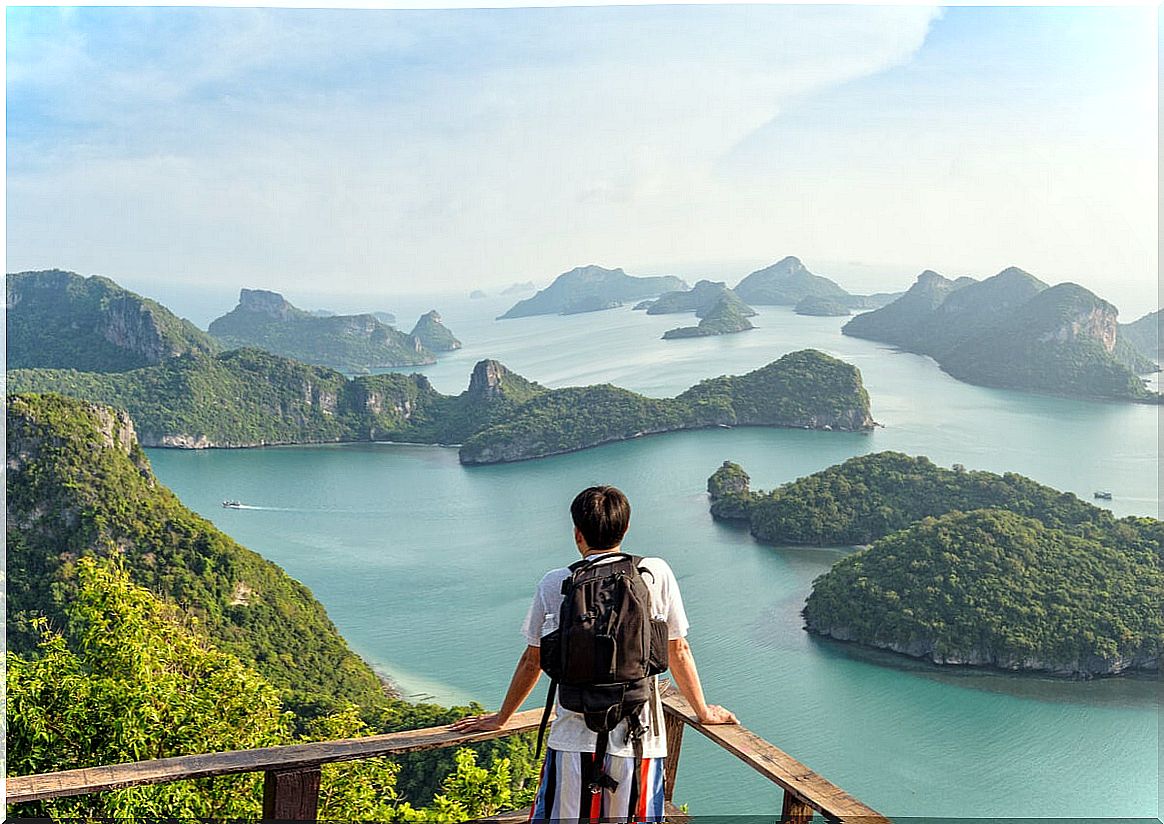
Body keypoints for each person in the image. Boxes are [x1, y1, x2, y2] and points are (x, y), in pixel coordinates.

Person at [452, 485, 737, 821]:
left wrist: (501, 718)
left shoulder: (556, 582)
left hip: (573, 737)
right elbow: (679, 649)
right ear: (625, 528)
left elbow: (534, 660)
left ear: (577, 533)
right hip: (639, 738)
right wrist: (703, 711)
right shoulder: (654, 573)